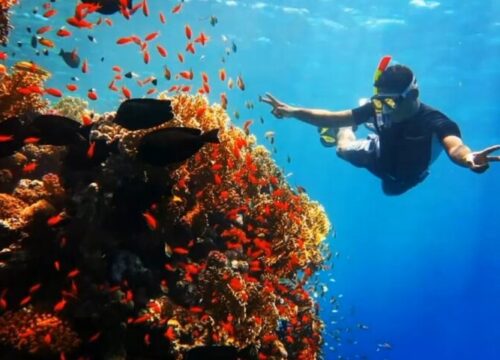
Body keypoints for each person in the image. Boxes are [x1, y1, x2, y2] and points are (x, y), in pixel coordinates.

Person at [260, 57, 500, 195]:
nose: (384, 108)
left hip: (405, 177)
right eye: (379, 101)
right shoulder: (380, 108)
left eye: (390, 101)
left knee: (391, 190)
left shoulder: (435, 121)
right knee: (342, 149)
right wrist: (292, 111)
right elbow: (332, 117)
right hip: (376, 156)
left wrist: (468, 158)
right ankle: (349, 131)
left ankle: (369, 130)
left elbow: (455, 147)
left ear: (413, 94)